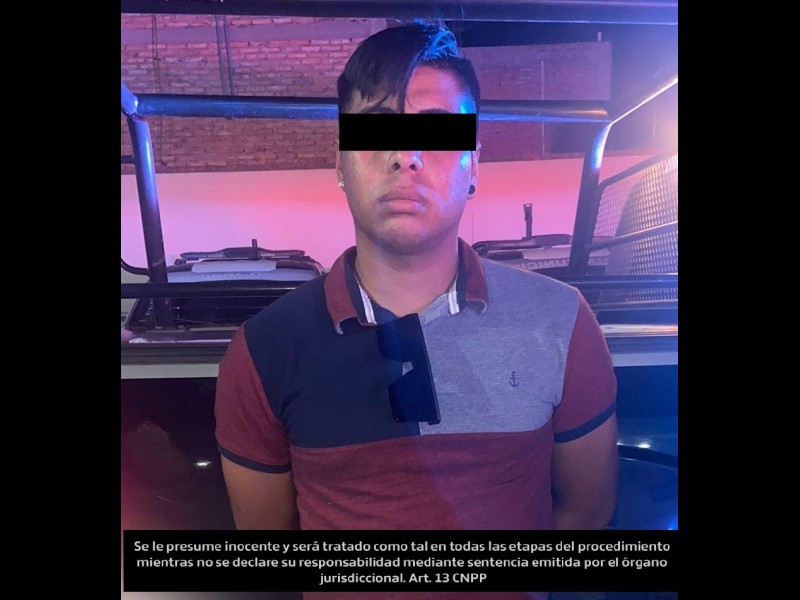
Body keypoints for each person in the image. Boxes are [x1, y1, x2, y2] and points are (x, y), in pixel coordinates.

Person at [214, 21, 617, 532]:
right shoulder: (262, 349)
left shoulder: (562, 321)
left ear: (473, 165)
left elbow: (586, 515)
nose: (405, 156)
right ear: (340, 162)